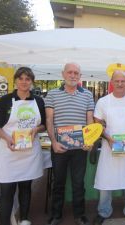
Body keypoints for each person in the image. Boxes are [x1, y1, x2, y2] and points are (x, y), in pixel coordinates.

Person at [0, 67, 46, 225]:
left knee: (26, 186)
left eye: (27, 79)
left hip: (29, 152)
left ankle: (24, 219)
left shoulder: (38, 101)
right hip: (9, 151)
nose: (24, 82)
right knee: (7, 191)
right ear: (15, 80)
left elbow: (43, 124)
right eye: (21, 78)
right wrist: (8, 138)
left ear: (32, 82)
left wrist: (37, 129)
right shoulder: (5, 100)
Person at [93, 65, 125, 225]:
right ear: (112, 82)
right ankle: (103, 211)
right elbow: (97, 123)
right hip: (109, 148)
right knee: (106, 180)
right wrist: (107, 137)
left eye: (123, 81)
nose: (120, 84)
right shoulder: (103, 101)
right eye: (117, 81)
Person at [45, 63, 94, 225]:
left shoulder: (87, 95)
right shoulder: (52, 94)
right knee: (58, 183)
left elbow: (89, 120)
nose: (73, 75)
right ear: (63, 74)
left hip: (80, 147)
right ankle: (56, 215)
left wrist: (89, 141)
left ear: (80, 76)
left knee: (78, 183)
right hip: (59, 147)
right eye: (70, 72)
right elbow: (49, 120)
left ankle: (79, 215)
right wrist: (53, 142)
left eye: (76, 73)